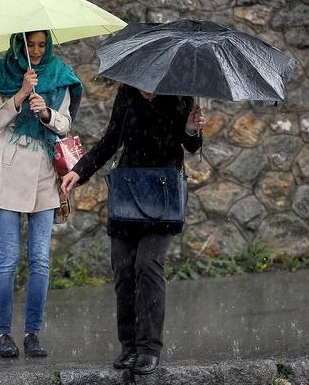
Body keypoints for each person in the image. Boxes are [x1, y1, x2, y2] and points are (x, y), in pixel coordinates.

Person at [60, 84, 206, 374]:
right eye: (142, 84)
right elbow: (111, 139)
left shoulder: (180, 95)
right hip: (128, 192)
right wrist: (80, 170)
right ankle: (129, 346)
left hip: (163, 195)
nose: (147, 90)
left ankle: (149, 348)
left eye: (153, 84)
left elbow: (190, 146)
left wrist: (191, 129)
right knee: (124, 268)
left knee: (148, 265)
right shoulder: (126, 94)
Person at [0, 30, 82, 358]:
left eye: (41, 45)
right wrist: (19, 96)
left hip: (43, 170)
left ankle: (33, 332)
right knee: (8, 257)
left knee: (40, 259)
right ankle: (2, 334)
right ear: (19, 45)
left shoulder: (60, 75)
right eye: (30, 44)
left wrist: (46, 112)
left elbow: (65, 124)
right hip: (7, 166)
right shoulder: (0, 73)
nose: (35, 51)